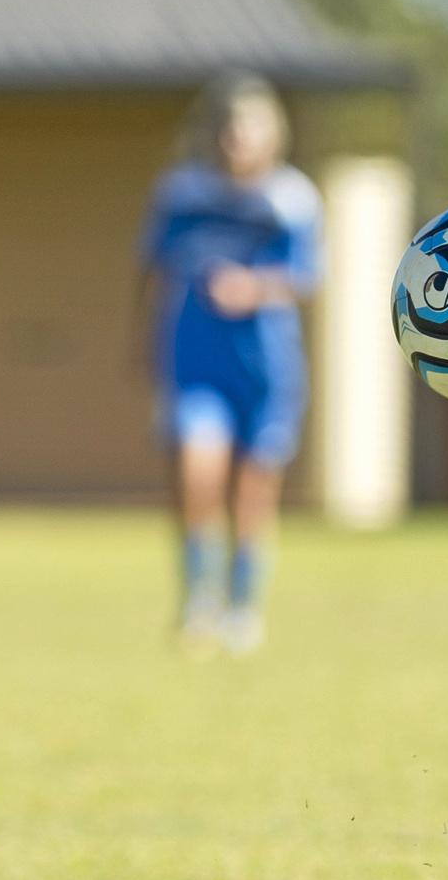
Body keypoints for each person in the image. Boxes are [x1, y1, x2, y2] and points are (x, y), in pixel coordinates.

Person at [136, 74, 320, 657]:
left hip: (265, 369)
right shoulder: (180, 194)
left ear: (272, 134)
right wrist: (139, 341)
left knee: (252, 495)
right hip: (195, 364)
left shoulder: (290, 198)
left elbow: (306, 277)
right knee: (197, 475)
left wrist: (253, 289)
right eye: (226, 127)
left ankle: (243, 610)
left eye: (248, 128)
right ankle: (198, 603)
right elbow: (151, 270)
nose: (236, 139)